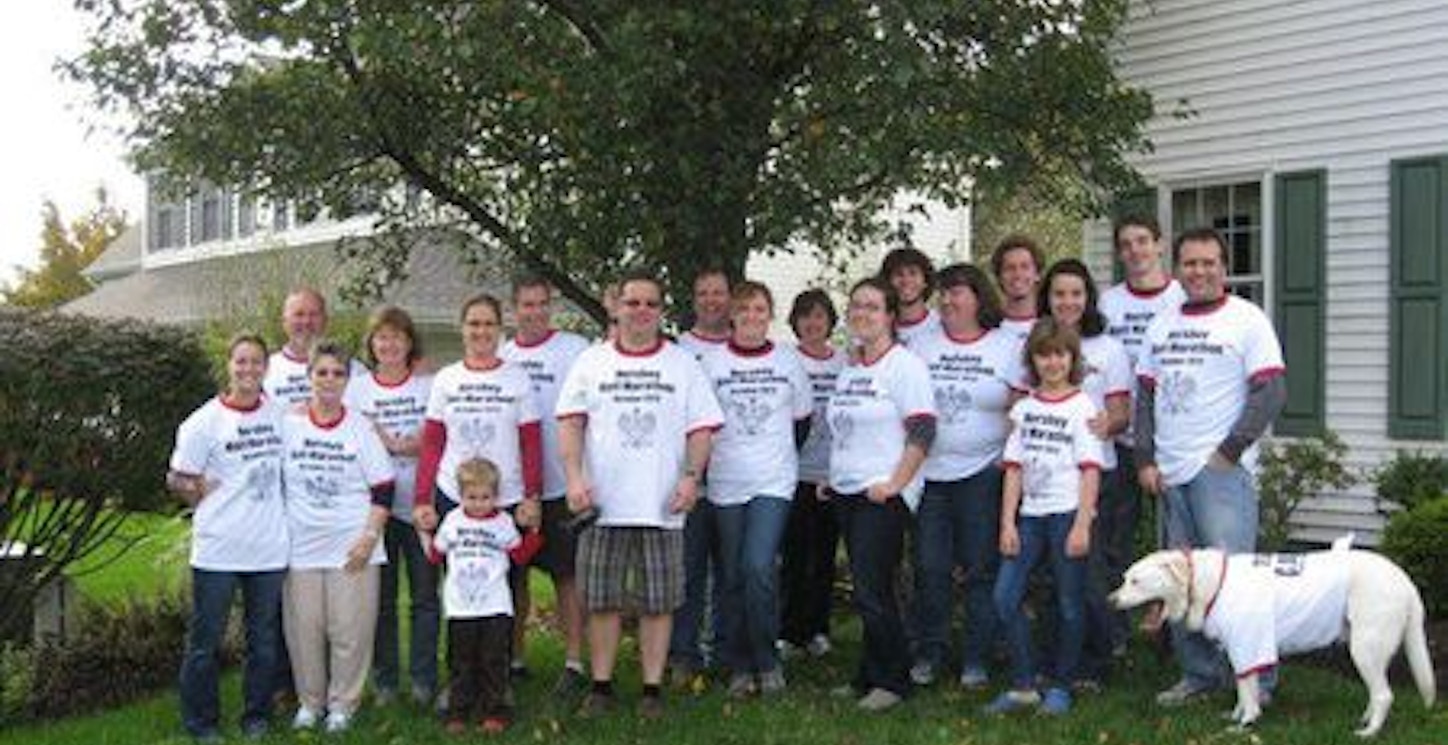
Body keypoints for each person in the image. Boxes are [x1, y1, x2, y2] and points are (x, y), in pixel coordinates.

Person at [556, 271, 724, 719]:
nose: (641, 311)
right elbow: (570, 422)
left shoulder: (682, 364)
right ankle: (602, 686)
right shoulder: (592, 362)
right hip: (601, 504)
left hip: (662, 504)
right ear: (616, 307)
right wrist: (574, 478)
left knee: (658, 602)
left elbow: (702, 428)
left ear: (661, 311)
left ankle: (651, 689)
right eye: (633, 303)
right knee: (602, 600)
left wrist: (691, 477)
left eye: (651, 304)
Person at [1136, 227, 1286, 706]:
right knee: (1180, 583)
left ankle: (1256, 683)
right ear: (1177, 267)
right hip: (1170, 472)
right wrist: (1145, 458)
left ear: (1224, 267)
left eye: (1209, 262)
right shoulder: (1161, 323)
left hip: (1220, 473)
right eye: (1190, 263)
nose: (1199, 271)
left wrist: (1229, 451)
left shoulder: (1247, 319)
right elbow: (1146, 396)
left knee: (1234, 586)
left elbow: (1271, 392)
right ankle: (1199, 677)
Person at [412, 293, 544, 682]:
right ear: (462, 328)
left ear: (499, 329)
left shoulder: (516, 378)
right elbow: (433, 442)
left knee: (506, 586)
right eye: (474, 323)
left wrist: (533, 495)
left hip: (505, 497)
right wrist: (422, 499)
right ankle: (457, 674)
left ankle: (501, 672)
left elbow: (531, 441)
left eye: (488, 323)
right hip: (455, 495)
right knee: (456, 586)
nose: (481, 331)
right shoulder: (448, 379)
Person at [908, 264, 1024, 690]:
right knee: (929, 567)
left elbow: (1020, 407)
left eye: (957, 293)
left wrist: (1008, 458)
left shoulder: (1005, 346)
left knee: (980, 569)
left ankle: (976, 656)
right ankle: (930, 651)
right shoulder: (921, 346)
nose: (948, 301)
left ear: (979, 298)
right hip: (930, 476)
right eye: (944, 294)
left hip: (982, 473)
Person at [168, 334, 287, 743]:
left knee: (264, 641)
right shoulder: (203, 423)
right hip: (218, 549)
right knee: (205, 642)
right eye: (241, 362)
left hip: (269, 548)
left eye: (256, 362)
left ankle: (256, 716)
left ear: (265, 368)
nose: (249, 370)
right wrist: (194, 487)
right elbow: (176, 476)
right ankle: (201, 723)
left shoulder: (279, 413)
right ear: (229, 365)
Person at [826, 276, 936, 712]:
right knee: (865, 589)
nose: (862, 314)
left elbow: (924, 430)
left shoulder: (904, 366)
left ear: (890, 316)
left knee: (875, 591)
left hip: (883, 495)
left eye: (873, 307)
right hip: (848, 490)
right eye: (856, 306)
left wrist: (895, 484)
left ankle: (893, 681)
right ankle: (869, 674)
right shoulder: (851, 367)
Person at [699, 281, 813, 697]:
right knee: (731, 575)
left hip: (773, 480)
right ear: (732, 314)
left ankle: (768, 660)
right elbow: (702, 426)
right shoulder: (711, 364)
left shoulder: (788, 362)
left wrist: (775, 455)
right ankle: (738, 663)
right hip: (726, 481)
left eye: (759, 309)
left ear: (770, 315)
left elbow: (802, 422)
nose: (751, 316)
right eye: (743, 309)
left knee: (758, 566)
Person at [987, 319, 1103, 717]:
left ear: (1072, 359)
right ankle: (1023, 683)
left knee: (1070, 603)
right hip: (1030, 518)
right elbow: (1014, 469)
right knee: (1004, 596)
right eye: (1043, 354)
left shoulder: (1083, 407)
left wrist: (1083, 524)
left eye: (1060, 354)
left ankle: (1061, 685)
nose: (1052, 362)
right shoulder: (1024, 409)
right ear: (1032, 360)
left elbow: (1090, 469)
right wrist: (1007, 523)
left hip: (1067, 514)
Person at [280, 341, 395, 733]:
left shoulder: (361, 426)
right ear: (309, 376)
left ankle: (343, 704)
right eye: (322, 372)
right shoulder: (288, 423)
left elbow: (383, 488)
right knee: (304, 631)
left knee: (350, 630)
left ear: (348, 380)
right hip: (301, 547)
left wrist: (368, 536)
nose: (329, 380)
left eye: (338, 373)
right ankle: (310, 704)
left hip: (353, 546)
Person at [1037, 259, 1133, 685]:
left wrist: (1106, 424)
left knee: (1089, 574)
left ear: (1088, 298)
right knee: (1048, 576)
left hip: (1095, 475)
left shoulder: (1108, 349)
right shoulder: (1034, 342)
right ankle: (1053, 658)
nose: (1067, 302)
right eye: (1059, 294)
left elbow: (1121, 414)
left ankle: (1094, 662)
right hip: (1045, 479)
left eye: (1076, 294)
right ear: (1048, 298)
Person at [1096, 215, 1185, 654]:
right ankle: (1115, 636)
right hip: (1118, 439)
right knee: (1115, 539)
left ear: (1159, 245)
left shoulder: (1181, 299)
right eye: (1126, 244)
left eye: (1143, 242)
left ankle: (1175, 633)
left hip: (1172, 440)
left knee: (1175, 542)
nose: (1135, 251)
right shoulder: (1107, 304)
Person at [499, 276, 591, 695]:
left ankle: (574, 662)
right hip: (512, 487)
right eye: (526, 304)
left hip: (561, 484)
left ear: (549, 307)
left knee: (566, 575)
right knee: (513, 575)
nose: (533, 312)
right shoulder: (503, 356)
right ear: (514, 309)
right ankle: (514, 658)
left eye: (540, 304)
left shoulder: (574, 350)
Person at [351, 306, 439, 707]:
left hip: (420, 507)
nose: (389, 344)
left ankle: (423, 680)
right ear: (372, 344)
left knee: (424, 598)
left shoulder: (428, 386)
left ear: (410, 343)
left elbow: (438, 435)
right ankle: (385, 681)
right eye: (381, 337)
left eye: (398, 337)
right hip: (376, 511)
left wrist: (399, 443)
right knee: (381, 601)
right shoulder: (357, 390)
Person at [429, 458, 544, 735]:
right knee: (461, 661)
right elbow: (436, 554)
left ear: (496, 496)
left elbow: (518, 556)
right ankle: (458, 710)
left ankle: (495, 710)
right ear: (460, 496)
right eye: (472, 497)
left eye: (485, 497)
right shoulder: (452, 521)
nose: (479, 504)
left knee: (493, 660)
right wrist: (426, 532)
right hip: (460, 607)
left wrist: (535, 535)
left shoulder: (504, 522)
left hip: (495, 605)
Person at [669, 267, 731, 684]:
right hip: (687, 479)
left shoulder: (749, 345)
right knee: (687, 571)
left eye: (718, 293)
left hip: (734, 478)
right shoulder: (676, 350)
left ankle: (725, 652)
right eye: (703, 293)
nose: (711, 300)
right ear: (694, 300)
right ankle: (683, 653)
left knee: (731, 571)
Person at [778, 289, 844, 659]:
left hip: (832, 473)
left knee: (823, 556)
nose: (812, 323)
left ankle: (818, 628)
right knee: (793, 555)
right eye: (805, 316)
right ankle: (789, 630)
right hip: (794, 471)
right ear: (795, 322)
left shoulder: (845, 361)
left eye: (819, 316)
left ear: (830, 321)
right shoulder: (786, 359)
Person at [262, 287, 364, 406]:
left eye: (314, 314)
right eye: (299, 314)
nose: (306, 322)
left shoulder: (356, 371)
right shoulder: (263, 371)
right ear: (284, 321)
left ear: (325, 320)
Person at [880, 247, 940, 348]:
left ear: (925, 282)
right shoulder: (876, 326)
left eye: (913, 273)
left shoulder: (941, 325)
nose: (906, 281)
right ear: (888, 282)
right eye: (899, 274)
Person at [990, 236, 1044, 344]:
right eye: (1009, 268)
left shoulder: (1051, 324)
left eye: (1025, 267)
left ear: (1037, 274)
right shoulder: (988, 326)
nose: (1017, 275)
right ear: (999, 277)